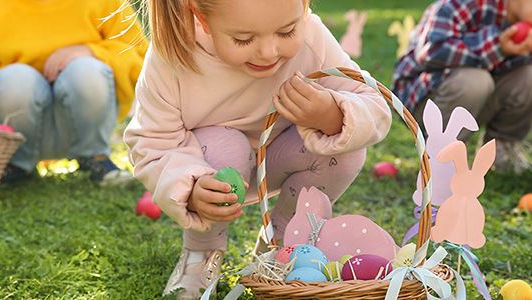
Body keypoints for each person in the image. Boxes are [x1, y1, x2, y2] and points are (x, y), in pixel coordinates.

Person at [123, 0, 392, 298]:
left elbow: (374, 104)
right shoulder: (174, 55)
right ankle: (202, 253)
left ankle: (281, 247)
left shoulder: (313, 37)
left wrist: (331, 114)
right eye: (243, 39)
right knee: (228, 144)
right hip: (209, 164)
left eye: (286, 31)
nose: (268, 52)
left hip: (282, 156)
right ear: (201, 16)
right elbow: (153, 143)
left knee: (346, 145)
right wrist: (189, 184)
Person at [0, 0, 148, 185]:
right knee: (13, 77)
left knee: (86, 69)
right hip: (20, 129)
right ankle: (17, 164)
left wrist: (90, 51)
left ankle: (95, 157)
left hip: (84, 125)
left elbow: (138, 54)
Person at [392, 0, 532, 173]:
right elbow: (432, 51)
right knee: (475, 80)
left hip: (478, 102)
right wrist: (498, 46)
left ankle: (502, 149)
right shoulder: (461, 6)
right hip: (426, 101)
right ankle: (441, 158)